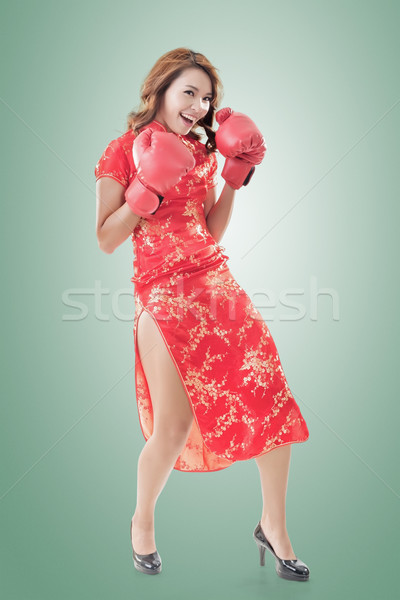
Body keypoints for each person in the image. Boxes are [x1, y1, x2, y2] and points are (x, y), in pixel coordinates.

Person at [94, 47, 310, 582]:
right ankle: (141, 524)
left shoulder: (202, 152)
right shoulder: (121, 152)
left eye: (207, 97)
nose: (198, 105)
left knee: (270, 401)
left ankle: (274, 527)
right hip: (163, 294)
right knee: (172, 426)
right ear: (159, 91)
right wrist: (146, 187)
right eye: (188, 92)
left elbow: (207, 231)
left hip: (217, 285)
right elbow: (105, 239)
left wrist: (234, 176)